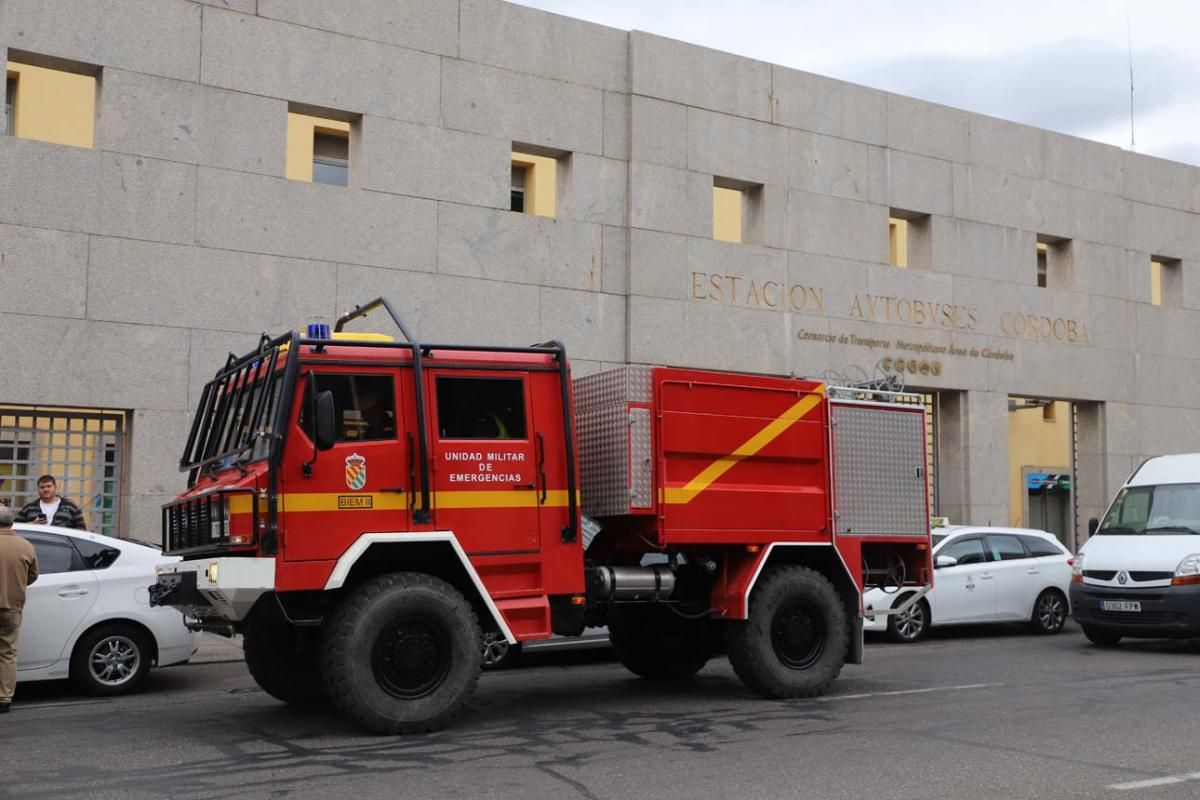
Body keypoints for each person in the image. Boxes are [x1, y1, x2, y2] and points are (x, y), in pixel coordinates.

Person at [0, 504, 39, 712]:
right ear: (11, 522)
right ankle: (4, 698)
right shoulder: (25, 546)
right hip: (11, 609)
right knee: (7, 653)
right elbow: (32, 576)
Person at [14, 475, 87, 530]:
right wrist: (31, 524)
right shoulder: (29, 507)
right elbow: (15, 527)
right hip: (35, 546)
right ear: (38, 489)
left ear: (55, 487)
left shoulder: (70, 506)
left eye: (49, 486)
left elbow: (82, 528)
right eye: (42, 487)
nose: (45, 489)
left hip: (63, 548)